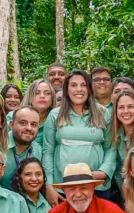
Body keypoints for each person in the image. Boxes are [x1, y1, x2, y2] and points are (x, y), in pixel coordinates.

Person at [42, 70, 115, 199]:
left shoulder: (102, 113)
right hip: (64, 186)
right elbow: (48, 151)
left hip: (96, 185)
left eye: (83, 85)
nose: (79, 89)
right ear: (66, 89)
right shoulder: (55, 115)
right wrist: (49, 185)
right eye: (74, 85)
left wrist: (103, 172)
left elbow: (111, 147)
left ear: (89, 89)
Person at [3, 106, 43, 188]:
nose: (29, 128)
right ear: (11, 125)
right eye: (23, 123)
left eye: (33, 124)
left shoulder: (39, 151)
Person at [16, 78, 55, 147]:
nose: (42, 96)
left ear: (52, 98)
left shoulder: (56, 119)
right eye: (37, 93)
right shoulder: (14, 116)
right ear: (30, 97)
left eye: (47, 93)